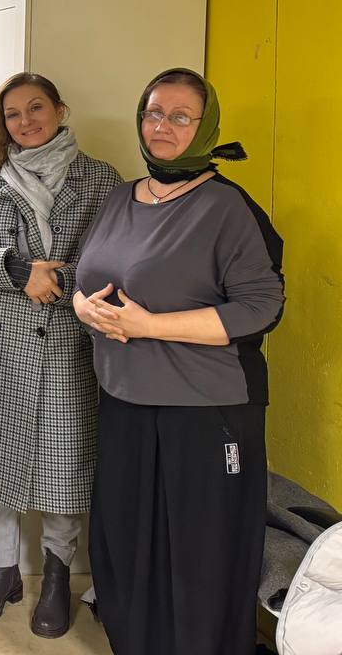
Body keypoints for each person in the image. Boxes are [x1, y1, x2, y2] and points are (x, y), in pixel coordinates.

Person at [74, 69, 283, 655]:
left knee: (199, 550)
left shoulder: (228, 208)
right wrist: (84, 308)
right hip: (123, 400)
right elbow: (87, 278)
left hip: (205, 409)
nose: (162, 126)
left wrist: (151, 327)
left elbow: (262, 308)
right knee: (127, 541)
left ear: (205, 126)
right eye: (153, 113)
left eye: (180, 117)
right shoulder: (122, 197)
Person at [0, 72, 120, 638]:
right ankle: (3, 571)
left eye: (36, 108)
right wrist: (19, 270)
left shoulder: (100, 179)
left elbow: (117, 260)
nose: (26, 122)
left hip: (68, 340)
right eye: (13, 113)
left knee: (63, 468)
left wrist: (60, 280)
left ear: (60, 110)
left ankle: (55, 577)